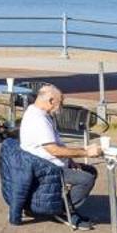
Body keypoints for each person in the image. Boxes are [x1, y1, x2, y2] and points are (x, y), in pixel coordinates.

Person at [17, 82, 97, 223]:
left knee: (90, 170)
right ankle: (65, 210)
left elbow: (56, 146)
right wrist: (85, 152)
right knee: (86, 179)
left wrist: (70, 159)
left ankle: (65, 205)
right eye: (60, 103)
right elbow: (53, 150)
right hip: (47, 168)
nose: (60, 107)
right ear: (51, 101)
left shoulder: (36, 111)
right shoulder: (39, 119)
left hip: (47, 162)